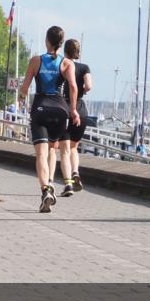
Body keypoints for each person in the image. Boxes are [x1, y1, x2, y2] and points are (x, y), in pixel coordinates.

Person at [18, 25, 80, 214]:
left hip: (41, 108)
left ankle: (46, 189)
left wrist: (21, 98)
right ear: (61, 43)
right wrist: (73, 110)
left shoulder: (36, 61)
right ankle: (52, 182)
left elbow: (25, 87)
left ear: (47, 40)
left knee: (41, 154)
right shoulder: (67, 63)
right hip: (60, 111)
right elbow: (73, 87)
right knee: (53, 149)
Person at [59, 39, 92, 196]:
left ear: (65, 51)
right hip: (81, 108)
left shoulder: (63, 65)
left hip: (64, 107)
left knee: (64, 149)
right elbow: (89, 86)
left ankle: (69, 184)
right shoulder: (84, 67)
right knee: (74, 147)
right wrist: (83, 90)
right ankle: (75, 171)